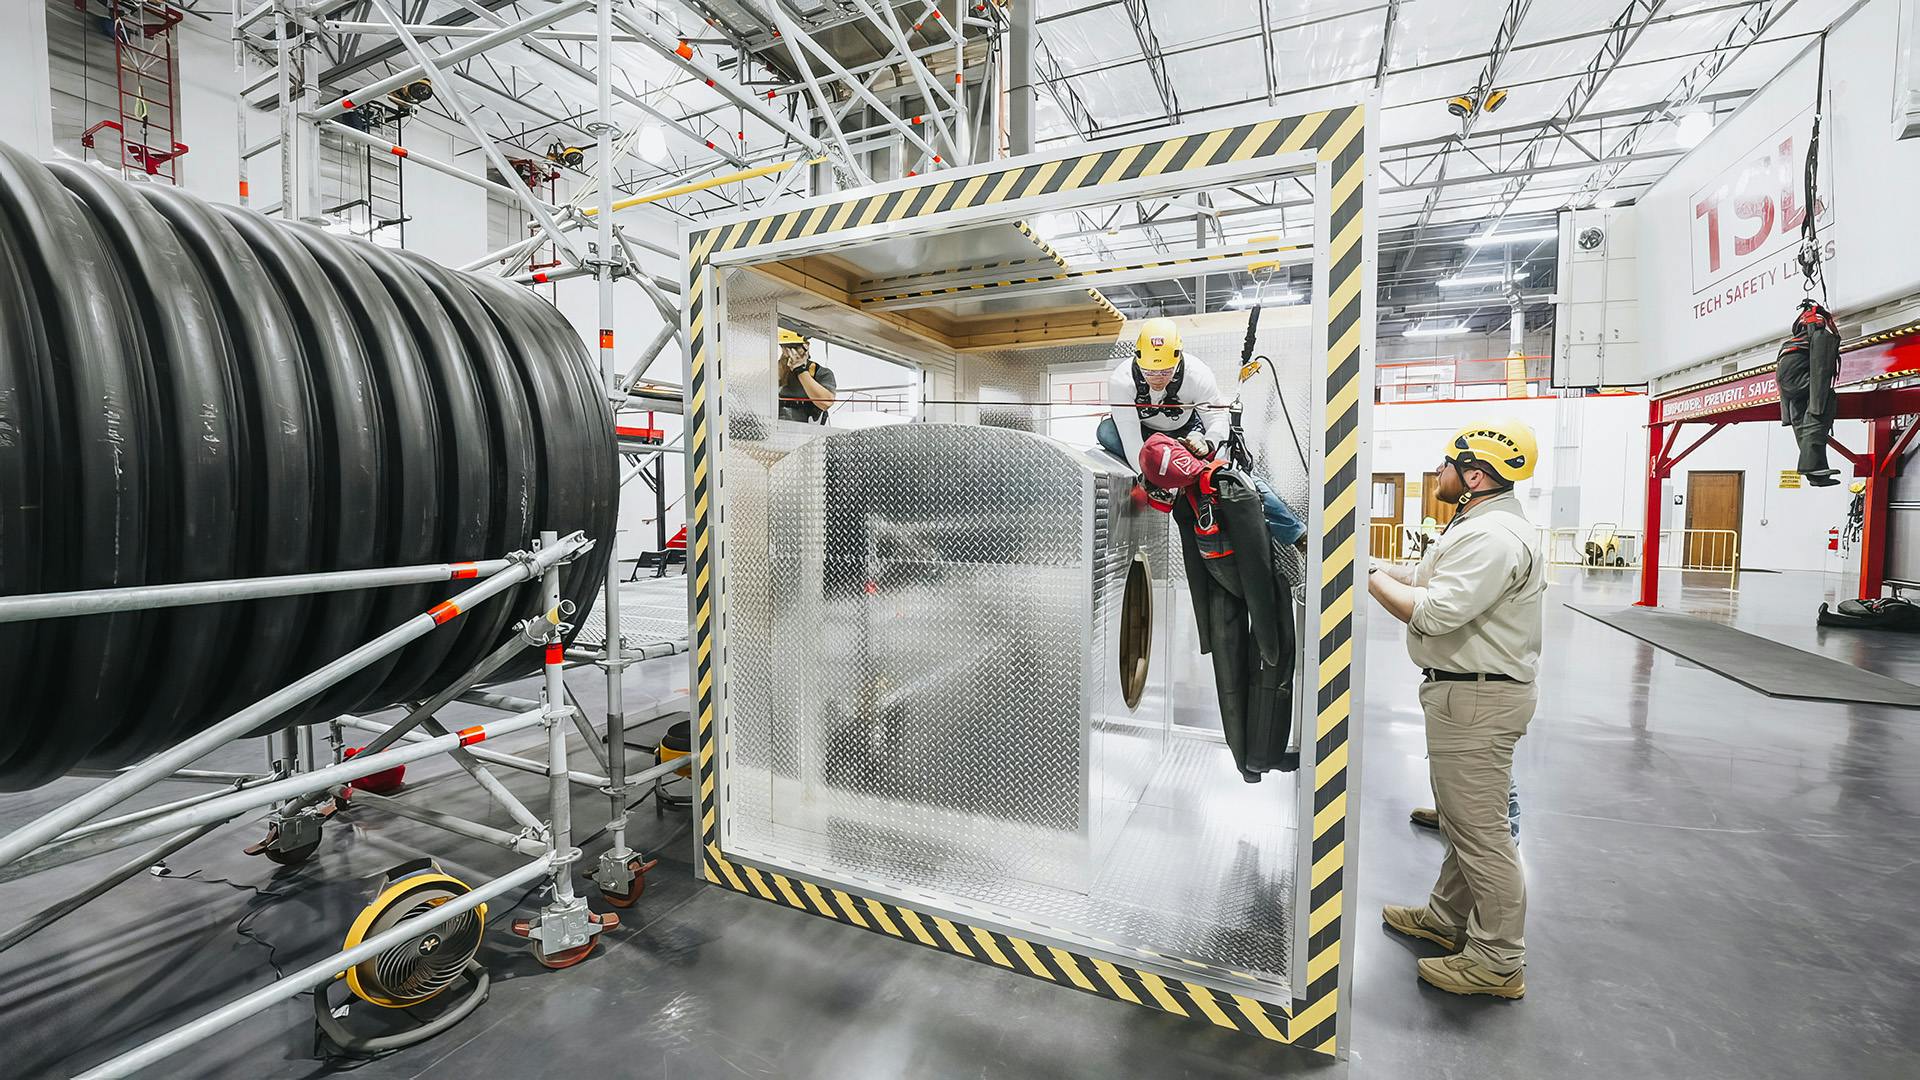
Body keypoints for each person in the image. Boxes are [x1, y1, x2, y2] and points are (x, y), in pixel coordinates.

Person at [1366, 419, 1545, 1000]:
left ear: (1475, 474)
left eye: (1447, 463)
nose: (1439, 472)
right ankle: (1447, 920)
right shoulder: (1476, 524)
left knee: (1481, 834)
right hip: (1466, 693)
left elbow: (1434, 612)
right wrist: (1365, 562)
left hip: (1477, 698)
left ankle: (1497, 961)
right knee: (1464, 821)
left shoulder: (1493, 538)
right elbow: (1418, 576)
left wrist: (1368, 579)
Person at [1096, 318, 1305, 545]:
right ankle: (1174, 485)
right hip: (1148, 439)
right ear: (1137, 359)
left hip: (1188, 437)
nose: (1157, 379)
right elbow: (1129, 437)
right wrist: (1151, 476)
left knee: (1236, 477)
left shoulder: (1197, 374)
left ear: (1178, 358)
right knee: (1106, 432)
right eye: (1149, 372)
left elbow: (1217, 417)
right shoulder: (1121, 380)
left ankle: (1295, 533)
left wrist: (1209, 443)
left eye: (1165, 372)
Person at [777, 328, 837, 423]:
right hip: (777, 429)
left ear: (806, 346)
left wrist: (801, 370)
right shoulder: (775, 371)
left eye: (795, 347)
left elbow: (825, 403)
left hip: (808, 432)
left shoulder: (820, 372)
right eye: (785, 347)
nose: (790, 352)